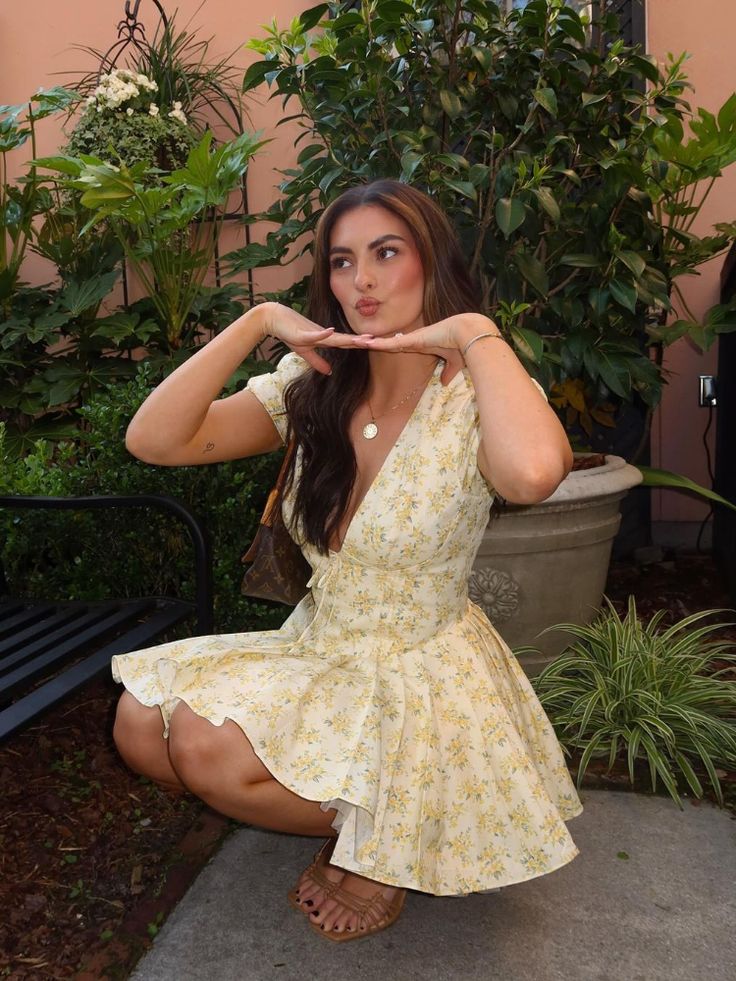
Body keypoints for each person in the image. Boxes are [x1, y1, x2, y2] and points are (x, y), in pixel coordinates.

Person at [111, 179, 583, 943]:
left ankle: (385, 849)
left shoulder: (475, 391)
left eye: (385, 253)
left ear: (430, 262)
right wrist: (259, 321)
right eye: (341, 261)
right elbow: (155, 440)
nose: (359, 280)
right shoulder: (317, 384)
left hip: (420, 669)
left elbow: (532, 474)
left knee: (204, 745)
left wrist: (474, 331)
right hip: (324, 644)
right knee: (139, 724)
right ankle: (380, 820)